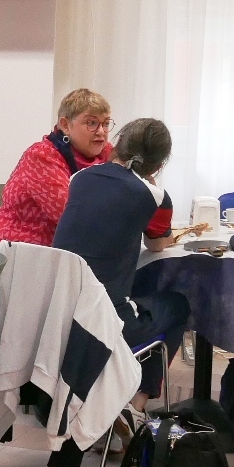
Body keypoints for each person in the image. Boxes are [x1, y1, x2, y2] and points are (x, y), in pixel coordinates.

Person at [53, 117, 190, 400]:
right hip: (108, 322)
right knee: (179, 305)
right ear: (159, 165)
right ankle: (138, 403)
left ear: (118, 145)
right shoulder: (155, 196)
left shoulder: (79, 178)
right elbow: (156, 244)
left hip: (60, 316)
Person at [0, 88, 113, 272]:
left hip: (63, 258)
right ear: (65, 125)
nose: (101, 132)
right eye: (91, 123)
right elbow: (72, 218)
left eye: (106, 124)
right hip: (16, 257)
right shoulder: (42, 156)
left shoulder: (107, 154)